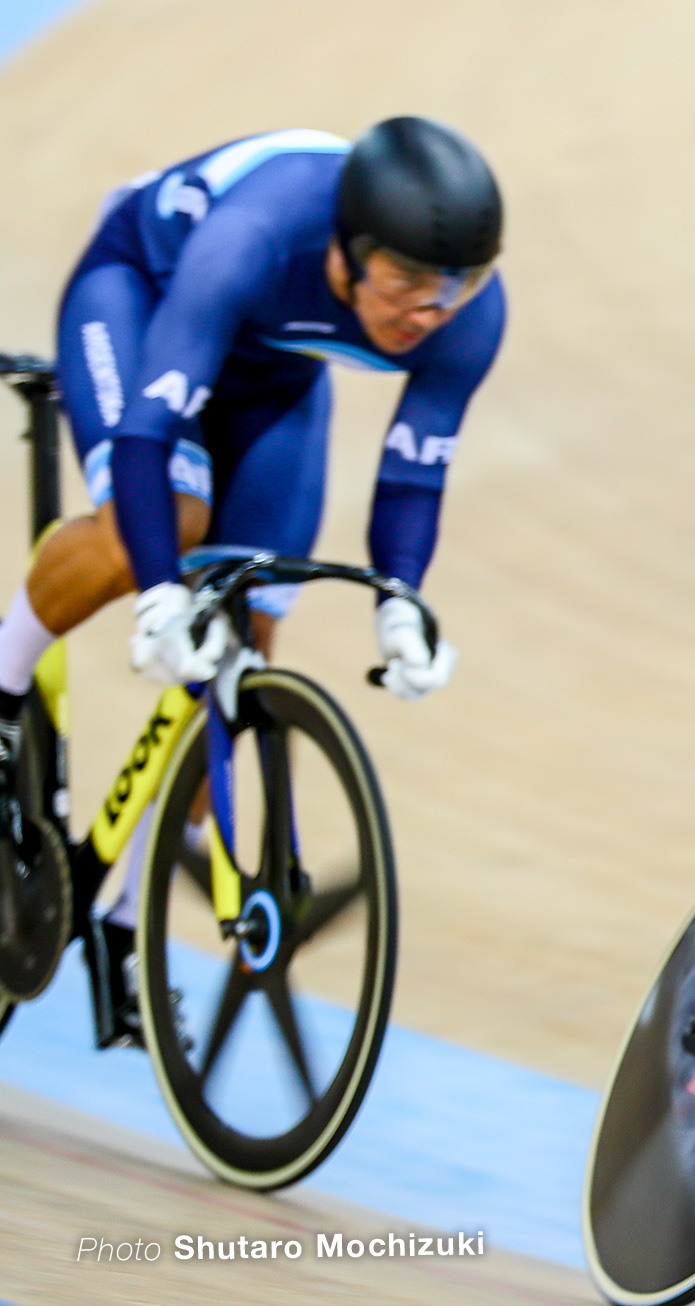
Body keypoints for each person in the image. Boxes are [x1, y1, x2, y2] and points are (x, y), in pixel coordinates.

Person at [0, 117, 506, 1037]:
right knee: (163, 529)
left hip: (273, 375)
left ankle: (125, 911)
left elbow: (413, 472)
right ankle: (2, 673)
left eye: (451, 288)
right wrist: (159, 591)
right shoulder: (255, 239)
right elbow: (153, 433)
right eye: (403, 283)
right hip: (142, 299)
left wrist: (401, 602)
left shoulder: (467, 313)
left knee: (248, 633)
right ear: (346, 260)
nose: (425, 314)